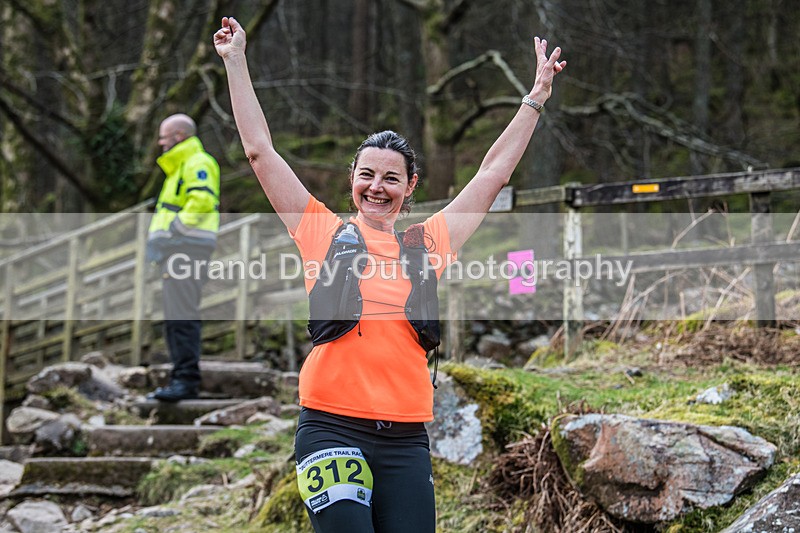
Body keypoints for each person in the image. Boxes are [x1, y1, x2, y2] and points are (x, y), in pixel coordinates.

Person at [214, 16, 564, 532]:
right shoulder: (321, 232)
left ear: (410, 185)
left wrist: (534, 99)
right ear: (352, 180)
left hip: (406, 438)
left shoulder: (427, 245)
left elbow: (492, 174)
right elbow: (260, 152)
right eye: (367, 175)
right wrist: (236, 61)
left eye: (391, 178)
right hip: (330, 427)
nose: (377, 187)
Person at [145, 113, 221, 402]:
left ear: (179, 136)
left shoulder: (197, 162)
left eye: (163, 137)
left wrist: (173, 232)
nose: (160, 143)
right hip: (179, 249)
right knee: (176, 315)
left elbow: (201, 201)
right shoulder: (180, 167)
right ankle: (182, 377)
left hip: (186, 249)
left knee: (181, 315)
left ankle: (185, 381)